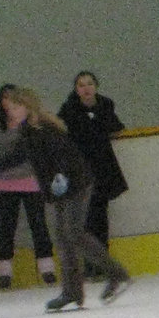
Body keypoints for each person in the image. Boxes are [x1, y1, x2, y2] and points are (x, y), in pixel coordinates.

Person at [0, 90, 131, 311]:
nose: (11, 112)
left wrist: (61, 175)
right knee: (64, 238)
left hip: (75, 184)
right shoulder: (27, 131)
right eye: (9, 109)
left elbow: (64, 155)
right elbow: (20, 155)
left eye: (16, 107)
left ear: (28, 107)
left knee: (73, 233)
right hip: (58, 189)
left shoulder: (43, 128)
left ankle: (116, 274)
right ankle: (73, 292)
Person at [0, 85, 58, 291]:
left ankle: (47, 268)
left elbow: (31, 152)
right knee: (6, 227)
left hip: (31, 181)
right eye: (5, 98)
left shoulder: (30, 125)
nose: (8, 103)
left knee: (38, 224)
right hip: (4, 184)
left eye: (13, 99)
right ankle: (4, 273)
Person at [59, 72, 129, 256]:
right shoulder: (68, 110)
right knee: (86, 218)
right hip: (81, 169)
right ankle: (91, 262)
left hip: (103, 168)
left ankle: (103, 258)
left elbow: (116, 126)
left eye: (89, 84)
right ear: (76, 89)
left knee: (101, 216)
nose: (86, 88)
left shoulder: (105, 105)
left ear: (96, 86)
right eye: (81, 85)